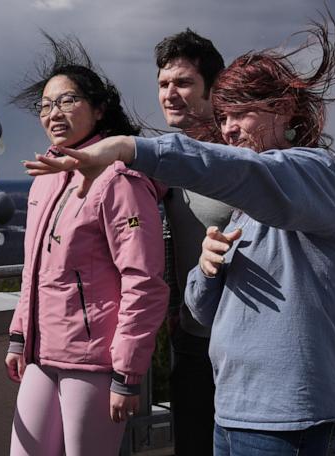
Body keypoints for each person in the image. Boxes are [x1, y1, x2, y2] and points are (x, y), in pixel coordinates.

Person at [25, 16, 335, 456]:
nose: (229, 129)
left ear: (284, 109)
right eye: (224, 117)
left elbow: (244, 173)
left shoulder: (318, 174)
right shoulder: (245, 204)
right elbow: (203, 309)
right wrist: (207, 270)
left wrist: (128, 148)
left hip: (288, 413)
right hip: (234, 402)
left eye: (241, 113)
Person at [6, 34, 168, 456]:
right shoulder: (45, 178)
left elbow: (144, 281)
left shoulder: (119, 180)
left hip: (95, 361)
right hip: (42, 353)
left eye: (67, 100)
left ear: (99, 109)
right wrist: (20, 335)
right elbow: (33, 270)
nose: (53, 113)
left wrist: (127, 373)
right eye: (45, 105)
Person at [154, 28, 232, 456]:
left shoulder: (240, 158)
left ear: (212, 89)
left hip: (243, 342)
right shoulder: (167, 160)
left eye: (183, 82)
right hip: (190, 338)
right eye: (164, 84)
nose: (170, 94)